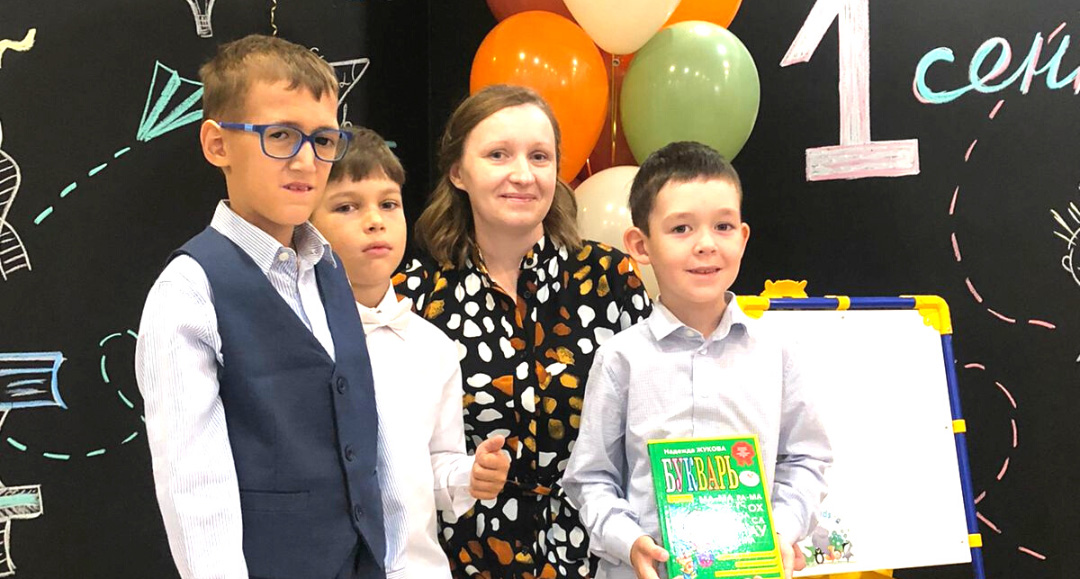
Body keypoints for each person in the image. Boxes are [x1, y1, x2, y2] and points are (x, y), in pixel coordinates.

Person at [135, 35, 385, 579]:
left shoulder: (329, 267)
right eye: (280, 135)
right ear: (217, 144)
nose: (306, 160)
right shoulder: (189, 292)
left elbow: (363, 439)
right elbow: (194, 489)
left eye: (324, 139)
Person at [393, 84, 652, 579]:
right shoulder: (414, 298)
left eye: (539, 156)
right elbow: (395, 454)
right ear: (458, 172)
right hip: (464, 560)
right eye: (498, 155)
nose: (523, 174)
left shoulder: (611, 280)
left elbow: (654, 423)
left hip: (598, 556)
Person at [562, 141, 833, 579]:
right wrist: (628, 541)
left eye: (723, 226)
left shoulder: (778, 352)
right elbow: (591, 478)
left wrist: (781, 531)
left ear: (743, 237)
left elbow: (806, 460)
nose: (706, 244)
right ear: (640, 244)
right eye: (681, 228)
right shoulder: (620, 359)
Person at [308, 126, 511, 578]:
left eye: (388, 204)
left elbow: (434, 462)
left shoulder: (432, 346)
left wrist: (469, 474)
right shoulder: (298, 338)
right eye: (346, 207)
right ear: (307, 224)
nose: (374, 221)